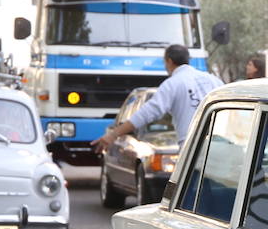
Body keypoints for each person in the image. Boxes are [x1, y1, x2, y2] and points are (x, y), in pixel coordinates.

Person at [92, 44, 224, 155]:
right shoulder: (214, 80)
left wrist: (113, 134)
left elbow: (146, 113)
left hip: (193, 151)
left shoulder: (173, 84)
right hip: (221, 147)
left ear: (169, 61)